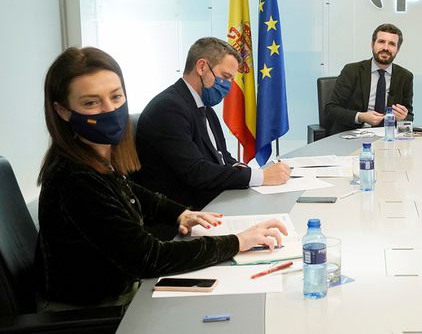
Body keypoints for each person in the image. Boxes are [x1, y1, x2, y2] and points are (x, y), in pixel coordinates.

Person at [35, 47, 288, 306]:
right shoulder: (75, 177)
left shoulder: (96, 157)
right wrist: (238, 241)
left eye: (116, 96)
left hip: (123, 286)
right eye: (91, 102)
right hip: (100, 308)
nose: (109, 109)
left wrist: (179, 213)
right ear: (63, 111)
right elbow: (149, 258)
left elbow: (132, 193)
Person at [135, 37, 291, 211]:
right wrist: (260, 176)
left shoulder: (204, 106)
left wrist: (244, 170)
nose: (229, 86)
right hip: (183, 215)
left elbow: (222, 157)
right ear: (202, 67)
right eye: (225, 77)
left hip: (210, 203)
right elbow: (197, 172)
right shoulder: (168, 108)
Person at [325, 23, 414, 136]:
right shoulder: (351, 71)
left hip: (387, 137)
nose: (386, 48)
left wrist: (402, 118)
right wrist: (361, 117)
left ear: (397, 50)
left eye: (392, 44)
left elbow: (409, 115)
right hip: (352, 135)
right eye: (381, 42)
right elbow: (330, 110)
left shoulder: (405, 76)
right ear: (372, 44)